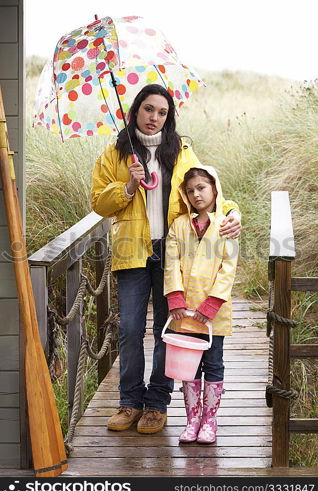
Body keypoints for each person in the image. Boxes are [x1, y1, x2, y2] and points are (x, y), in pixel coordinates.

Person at [91, 83, 241, 434]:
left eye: (162, 112)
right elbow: (99, 202)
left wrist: (233, 213)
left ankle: (157, 403)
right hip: (133, 249)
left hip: (175, 253)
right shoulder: (115, 153)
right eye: (148, 109)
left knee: (167, 328)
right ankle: (130, 401)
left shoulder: (182, 151)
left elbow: (206, 190)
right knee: (129, 329)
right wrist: (128, 186)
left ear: (168, 116)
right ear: (136, 110)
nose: (154, 118)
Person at [164, 166, 239, 444]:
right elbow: (171, 263)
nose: (196, 194)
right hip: (184, 311)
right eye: (191, 190)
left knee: (214, 362)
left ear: (215, 188)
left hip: (212, 314)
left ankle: (210, 420)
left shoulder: (226, 224)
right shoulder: (179, 226)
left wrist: (211, 305)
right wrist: (175, 298)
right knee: (189, 366)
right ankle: (192, 419)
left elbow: (228, 268)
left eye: (202, 188)